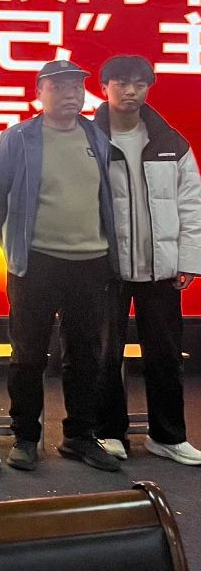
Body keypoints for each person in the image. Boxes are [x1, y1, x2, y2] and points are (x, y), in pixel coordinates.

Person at [0, 59, 121, 473]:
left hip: (91, 262)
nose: (69, 95)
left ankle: (79, 436)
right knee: (28, 354)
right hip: (37, 264)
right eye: (58, 87)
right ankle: (25, 437)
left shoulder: (96, 136)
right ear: (39, 92)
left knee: (85, 354)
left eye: (76, 87)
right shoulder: (18, 138)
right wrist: (15, 248)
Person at [94, 55, 201, 466]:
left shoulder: (170, 141)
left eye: (140, 83)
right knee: (106, 355)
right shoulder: (89, 139)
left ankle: (168, 436)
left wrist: (188, 259)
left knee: (165, 355)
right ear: (104, 87)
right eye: (121, 82)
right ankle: (108, 432)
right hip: (106, 267)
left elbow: (190, 204)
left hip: (162, 268)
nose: (130, 91)